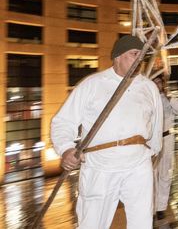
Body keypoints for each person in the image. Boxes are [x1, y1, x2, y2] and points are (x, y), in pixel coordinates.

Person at [51, 35, 163, 229]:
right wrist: (66, 149)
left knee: (142, 222)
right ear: (117, 57)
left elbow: (156, 126)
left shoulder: (149, 87)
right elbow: (63, 121)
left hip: (138, 164)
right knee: (92, 223)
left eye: (142, 56)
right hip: (100, 165)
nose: (139, 60)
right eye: (134, 54)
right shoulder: (92, 84)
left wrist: (151, 154)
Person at [153, 75, 178, 220]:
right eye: (154, 82)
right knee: (152, 174)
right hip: (151, 142)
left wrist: (169, 98)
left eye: (159, 82)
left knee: (164, 173)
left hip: (166, 138)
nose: (157, 85)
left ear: (163, 84)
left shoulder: (169, 98)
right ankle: (152, 206)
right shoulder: (148, 99)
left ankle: (161, 207)